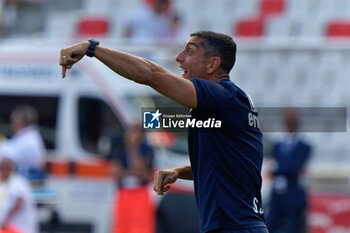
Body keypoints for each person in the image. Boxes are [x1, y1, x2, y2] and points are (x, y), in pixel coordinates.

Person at [59, 30, 268, 233]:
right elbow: (222, 166)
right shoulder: (225, 106)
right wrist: (178, 172)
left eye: (189, 51)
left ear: (213, 64)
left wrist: (92, 48)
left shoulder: (223, 97)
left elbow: (150, 74)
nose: (179, 57)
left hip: (234, 227)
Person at [266, 110, 312, 233]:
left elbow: (294, 167)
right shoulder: (277, 145)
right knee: (270, 226)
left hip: (294, 195)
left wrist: (278, 171)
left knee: (295, 228)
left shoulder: (304, 147)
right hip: (278, 195)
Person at [109, 123, 155, 233]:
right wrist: (132, 172)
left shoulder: (147, 149)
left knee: (140, 228)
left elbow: (142, 173)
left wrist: (133, 148)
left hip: (140, 194)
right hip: (124, 193)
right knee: (122, 227)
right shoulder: (119, 148)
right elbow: (115, 173)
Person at [0, 105, 45, 180]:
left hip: (25, 178)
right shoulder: (25, 136)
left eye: (13, 120)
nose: (12, 124)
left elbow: (7, 156)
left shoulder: (30, 140)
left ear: (21, 121)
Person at [0, 157, 38, 233]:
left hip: (19, 228)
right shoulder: (5, 183)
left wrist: (6, 219)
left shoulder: (17, 182)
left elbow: (19, 201)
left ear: (8, 169)